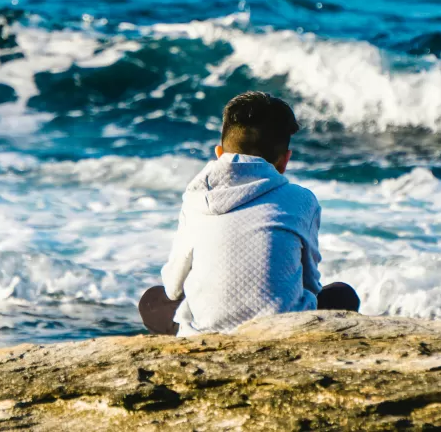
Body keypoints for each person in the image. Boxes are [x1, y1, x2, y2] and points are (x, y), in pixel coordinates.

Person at [138, 91, 360, 336]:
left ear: (219, 153)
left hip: (206, 333)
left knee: (151, 300)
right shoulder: (302, 199)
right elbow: (310, 283)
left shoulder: (196, 196)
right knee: (343, 294)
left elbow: (172, 288)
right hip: (286, 331)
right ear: (285, 161)